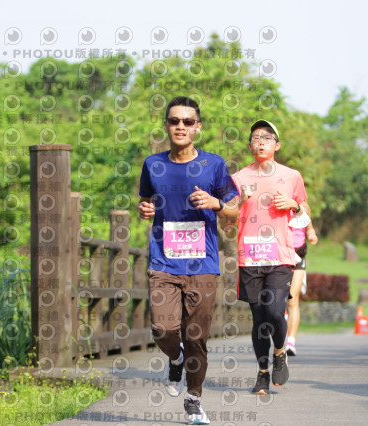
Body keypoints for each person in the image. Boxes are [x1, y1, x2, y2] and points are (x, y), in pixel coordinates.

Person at [138, 96, 239, 424]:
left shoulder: (214, 164)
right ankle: (176, 357)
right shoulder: (153, 164)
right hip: (163, 262)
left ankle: (194, 399)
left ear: (198, 127)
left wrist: (216, 203)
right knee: (162, 327)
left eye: (187, 121)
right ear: (166, 125)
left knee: (197, 336)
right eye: (173, 121)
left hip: (203, 264)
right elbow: (145, 202)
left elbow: (235, 209)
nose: (180, 126)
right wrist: (145, 209)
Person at [230, 119, 308, 395]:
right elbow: (227, 222)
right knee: (259, 318)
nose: (260, 142)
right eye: (255, 137)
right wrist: (238, 202)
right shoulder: (238, 179)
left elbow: (304, 217)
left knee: (275, 311)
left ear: (277, 145)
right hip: (249, 257)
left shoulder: (292, 177)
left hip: (281, 256)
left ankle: (280, 352)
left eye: (267, 137)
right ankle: (263, 373)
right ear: (250, 144)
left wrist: (295, 206)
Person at [285, 220, 318, 356]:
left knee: (293, 299)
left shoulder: (301, 203)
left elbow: (308, 219)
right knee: (277, 300)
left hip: (298, 251)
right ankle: (280, 331)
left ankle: (291, 342)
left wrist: (311, 232)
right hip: (279, 252)